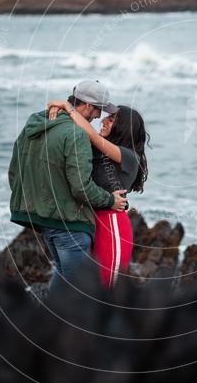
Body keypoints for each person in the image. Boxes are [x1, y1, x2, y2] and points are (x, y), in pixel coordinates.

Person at [8, 80, 127, 290]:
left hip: (42, 219)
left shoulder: (35, 123)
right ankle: (56, 322)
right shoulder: (76, 134)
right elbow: (81, 187)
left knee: (64, 277)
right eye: (99, 110)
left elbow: (15, 172)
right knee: (78, 289)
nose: (99, 117)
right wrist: (110, 200)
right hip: (69, 224)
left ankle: (48, 321)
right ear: (88, 106)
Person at [47, 97, 149, 289]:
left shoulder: (129, 156)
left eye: (111, 119)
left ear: (123, 128)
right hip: (91, 223)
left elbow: (93, 136)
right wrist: (57, 110)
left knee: (108, 290)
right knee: (89, 286)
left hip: (113, 227)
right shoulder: (98, 151)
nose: (103, 120)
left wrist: (67, 107)